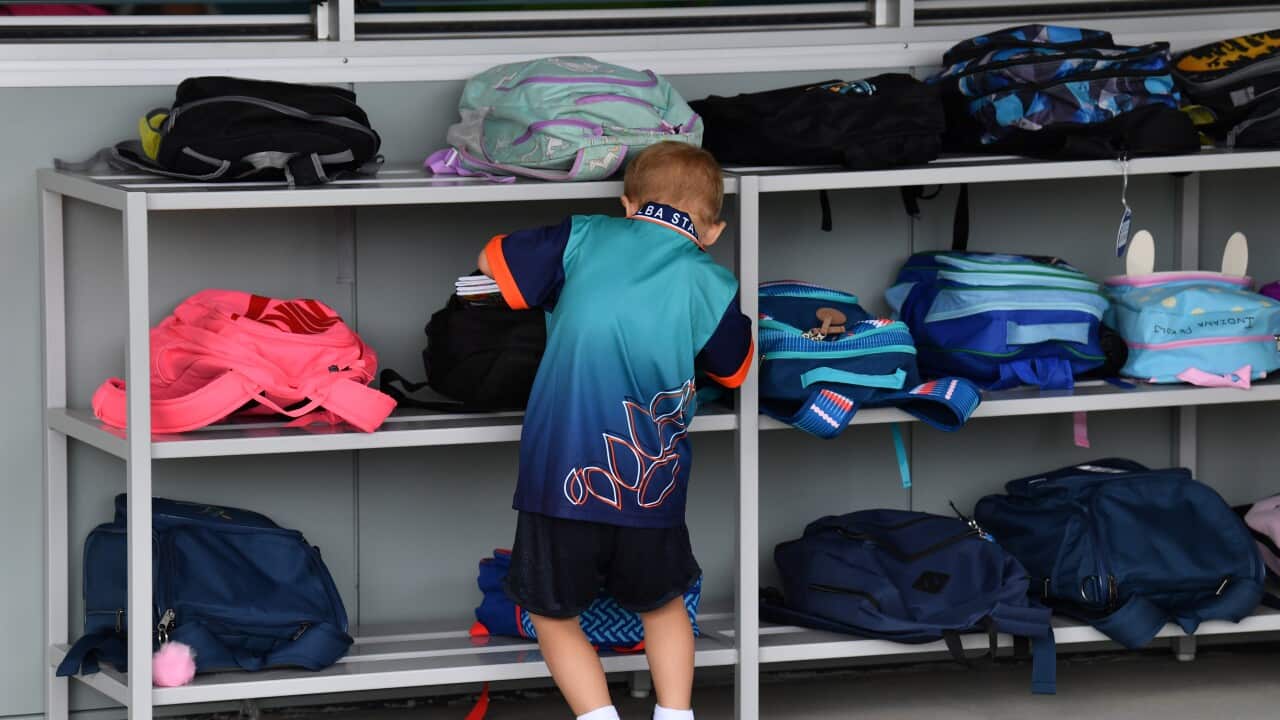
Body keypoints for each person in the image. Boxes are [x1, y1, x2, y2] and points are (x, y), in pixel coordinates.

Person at [477, 141, 753, 720]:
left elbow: (492, 261)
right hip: (650, 484)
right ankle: (675, 715)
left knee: (553, 613)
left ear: (627, 205)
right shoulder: (711, 279)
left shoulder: (583, 236)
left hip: (560, 481)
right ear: (714, 230)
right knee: (664, 605)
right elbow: (734, 370)